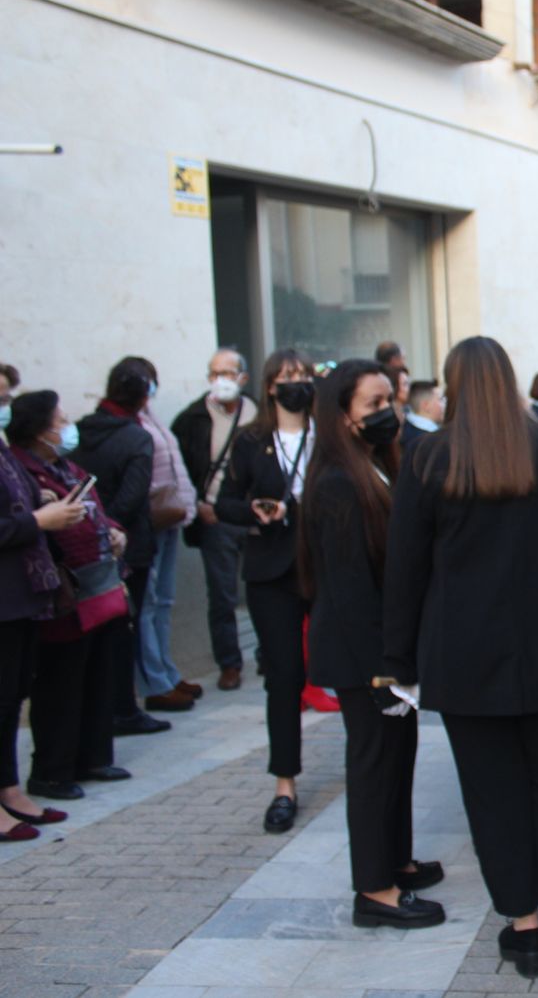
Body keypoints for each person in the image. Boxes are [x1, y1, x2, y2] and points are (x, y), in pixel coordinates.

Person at [384, 336, 538, 982]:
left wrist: (398, 662)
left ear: (451, 386)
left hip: (461, 656)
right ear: (508, 382)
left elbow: (406, 571)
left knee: (491, 795)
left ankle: (522, 928)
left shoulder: (425, 457)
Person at [300, 359, 445, 930]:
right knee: (372, 765)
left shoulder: (374, 466)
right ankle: (375, 889)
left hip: (387, 652)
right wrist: (384, 667)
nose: (390, 412)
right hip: (365, 657)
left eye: (392, 399)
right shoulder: (337, 482)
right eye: (375, 404)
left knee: (398, 757)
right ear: (343, 416)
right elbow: (351, 588)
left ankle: (397, 860)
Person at [10, 393, 131, 801]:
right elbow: (30, 519)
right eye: (60, 420)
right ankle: (52, 770)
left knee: (97, 673)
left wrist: (113, 530)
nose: (67, 426)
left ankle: (92, 756)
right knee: (61, 681)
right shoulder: (23, 467)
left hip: (96, 582)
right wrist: (46, 516)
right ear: (40, 430)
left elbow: (93, 505)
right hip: (62, 589)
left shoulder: (65, 466)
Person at [216, 348, 317, 834]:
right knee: (284, 677)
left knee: (354, 669)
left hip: (327, 567)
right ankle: (284, 783)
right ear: (270, 385)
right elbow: (224, 504)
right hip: (272, 569)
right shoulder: (251, 441)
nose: (296, 383)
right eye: (286, 376)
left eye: (302, 375)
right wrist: (257, 510)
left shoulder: (332, 436)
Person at [0, 417, 87, 842]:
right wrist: (38, 520)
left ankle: (9, 790)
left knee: (12, 697)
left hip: (21, 594)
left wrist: (44, 501)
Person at [72, 359, 167, 737]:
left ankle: (107, 709)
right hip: (124, 543)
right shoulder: (135, 438)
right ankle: (123, 709)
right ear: (144, 397)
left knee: (102, 632)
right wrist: (109, 528)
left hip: (87, 541)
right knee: (123, 628)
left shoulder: (83, 430)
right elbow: (132, 496)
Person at [172, 349, 257, 690]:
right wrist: (198, 505)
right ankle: (229, 663)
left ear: (243, 378)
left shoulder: (259, 413)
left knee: (263, 588)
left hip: (256, 515)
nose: (220, 380)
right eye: (214, 373)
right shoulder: (192, 419)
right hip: (215, 516)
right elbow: (180, 471)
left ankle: (269, 656)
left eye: (228, 372)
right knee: (222, 594)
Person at [128, 358, 201, 713]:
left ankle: (167, 672)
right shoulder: (127, 423)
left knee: (165, 600)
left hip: (172, 518)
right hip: (151, 522)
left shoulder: (151, 417)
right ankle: (154, 680)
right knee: (149, 602)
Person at [402, 380, 445, 449]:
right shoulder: (425, 441)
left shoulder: (409, 429)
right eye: (441, 399)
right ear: (426, 406)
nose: (445, 403)